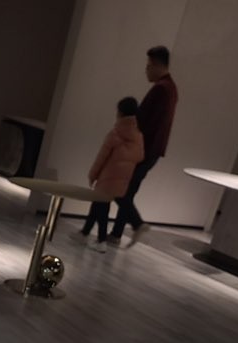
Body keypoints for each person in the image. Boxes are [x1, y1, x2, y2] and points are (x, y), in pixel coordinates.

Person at [109, 45, 179, 247]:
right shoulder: (171, 88)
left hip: (144, 150)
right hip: (152, 150)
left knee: (119, 189)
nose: (146, 70)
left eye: (148, 66)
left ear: (157, 65)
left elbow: (147, 123)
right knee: (128, 190)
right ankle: (116, 234)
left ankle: (137, 224)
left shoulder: (161, 89)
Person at [73, 97, 144, 253]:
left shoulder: (115, 133)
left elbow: (102, 157)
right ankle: (84, 233)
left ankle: (101, 241)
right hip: (123, 178)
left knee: (101, 206)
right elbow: (140, 156)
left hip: (107, 177)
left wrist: (92, 174)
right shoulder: (138, 136)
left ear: (120, 113)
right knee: (98, 204)